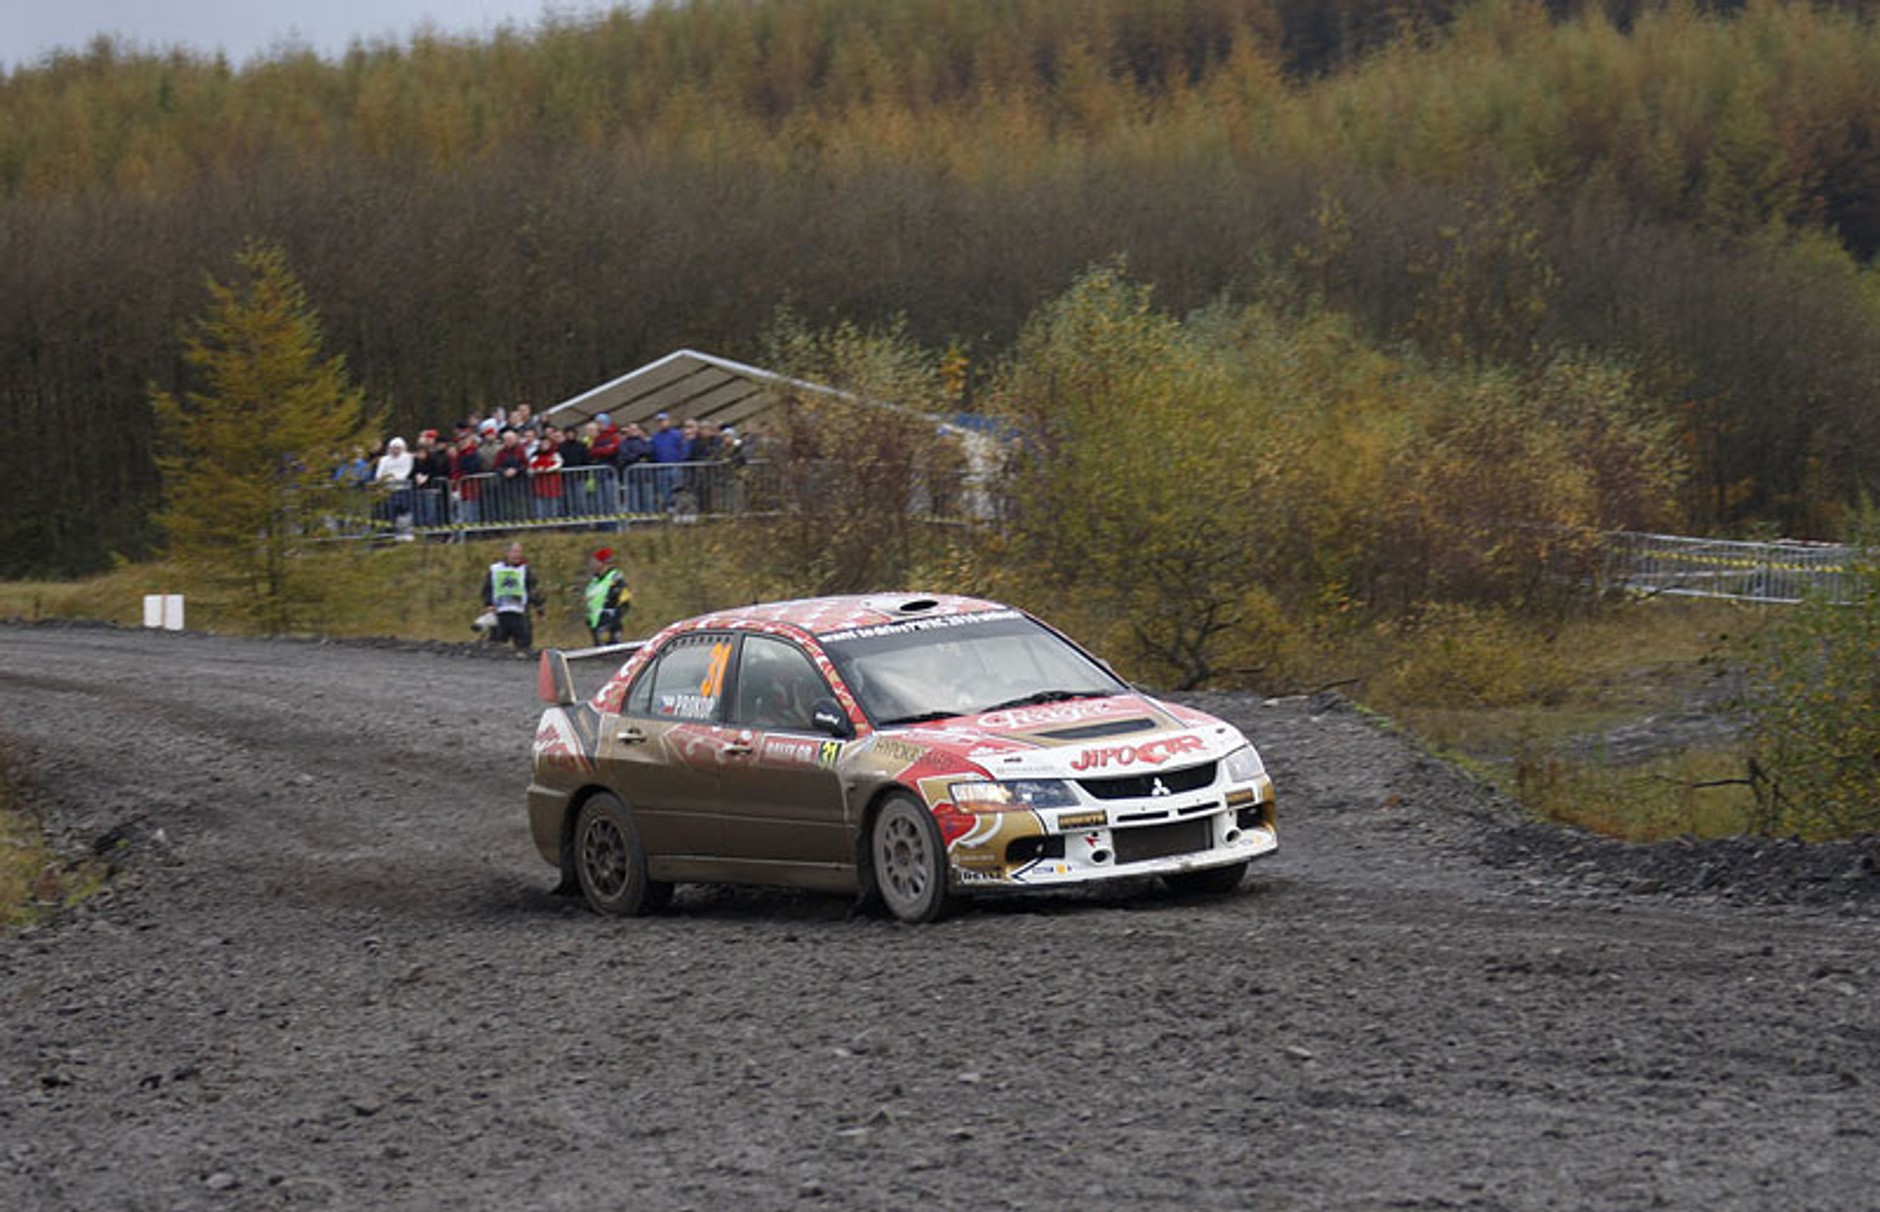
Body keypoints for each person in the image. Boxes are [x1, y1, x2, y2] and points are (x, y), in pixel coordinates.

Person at [481, 542, 544, 651]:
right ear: (507, 553)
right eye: (514, 552)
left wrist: (538, 606)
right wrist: (488, 604)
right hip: (500, 612)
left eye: (519, 552)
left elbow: (532, 588)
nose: (517, 555)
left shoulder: (525, 569)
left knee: (524, 645)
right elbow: (488, 587)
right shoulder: (495, 569)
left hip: (520, 613)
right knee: (495, 646)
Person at [581, 547, 631, 645]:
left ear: (602, 563)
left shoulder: (615, 579)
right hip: (596, 627)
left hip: (610, 629)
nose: (592, 564)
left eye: (595, 561)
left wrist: (611, 621)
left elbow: (624, 602)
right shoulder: (594, 581)